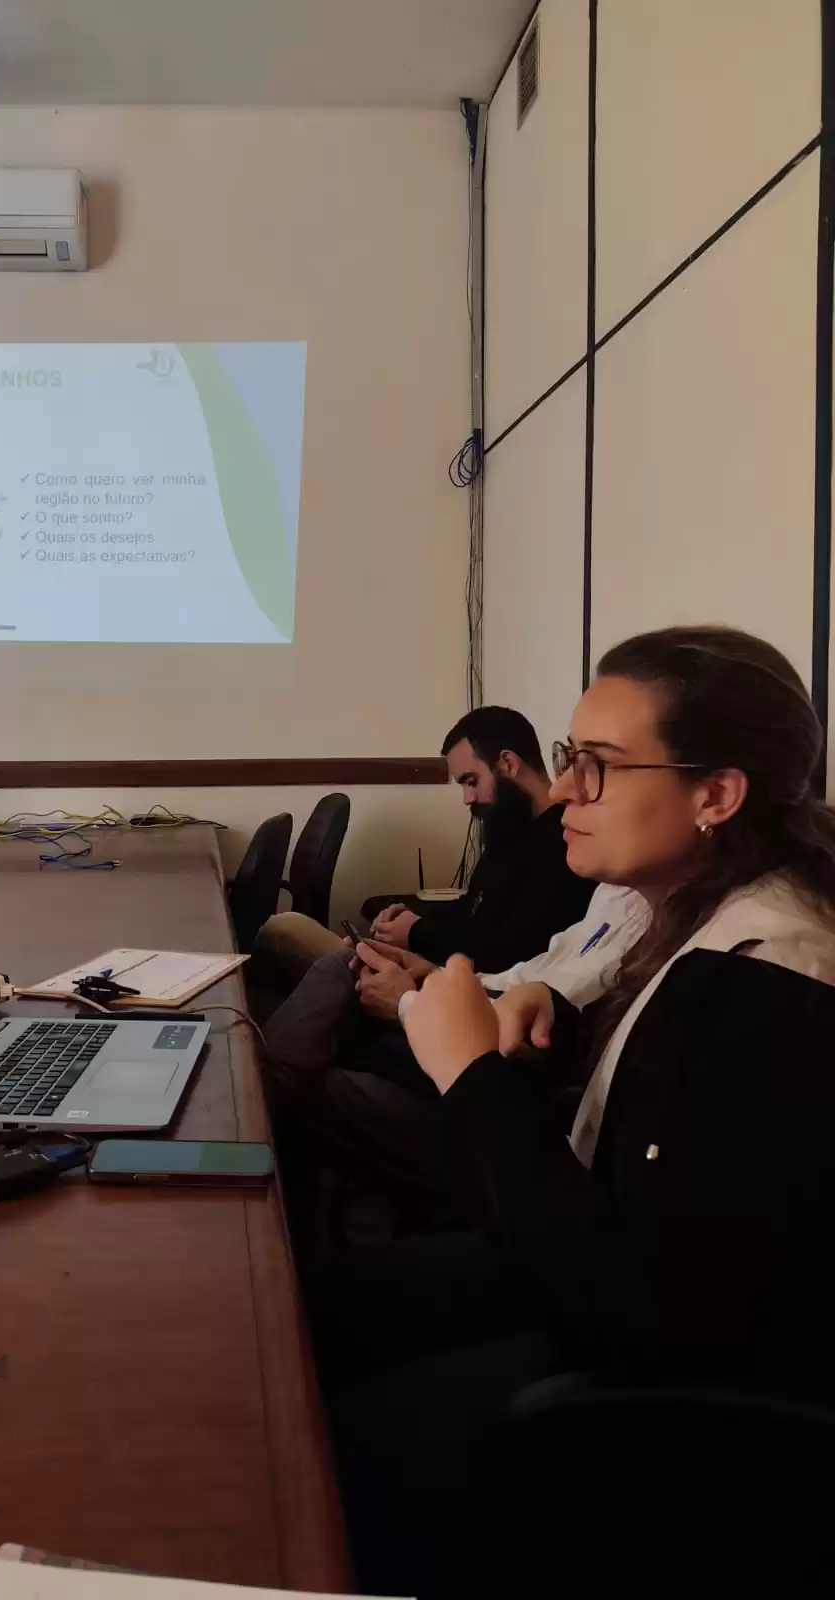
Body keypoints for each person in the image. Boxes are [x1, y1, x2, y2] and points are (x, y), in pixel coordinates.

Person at [314, 626, 835, 1595]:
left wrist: (471, 1074)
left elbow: (632, 1302)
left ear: (717, 795)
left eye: (598, 765)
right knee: (326, 1311)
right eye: (568, 757)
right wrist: (549, 1023)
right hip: (625, 1287)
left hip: (684, 1386)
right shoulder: (696, 912)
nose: (561, 792)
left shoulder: (768, 978)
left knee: (326, 1443)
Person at [264, 883, 648, 1202]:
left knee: (313, 1018)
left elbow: (528, 1041)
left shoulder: (649, 939)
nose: (564, 812)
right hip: (470, 1054)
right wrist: (429, 972)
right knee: (335, 984)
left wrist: (408, 998)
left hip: (494, 1111)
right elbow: (519, 976)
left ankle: (255, 1095)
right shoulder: (614, 894)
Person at [255, 705, 595, 987]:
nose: (467, 798)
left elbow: (509, 952)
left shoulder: (563, 844)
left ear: (508, 763)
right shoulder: (510, 826)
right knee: (288, 930)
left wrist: (416, 934)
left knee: (284, 930)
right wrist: (410, 919)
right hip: (431, 971)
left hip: (448, 992)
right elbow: (474, 909)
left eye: (471, 781)